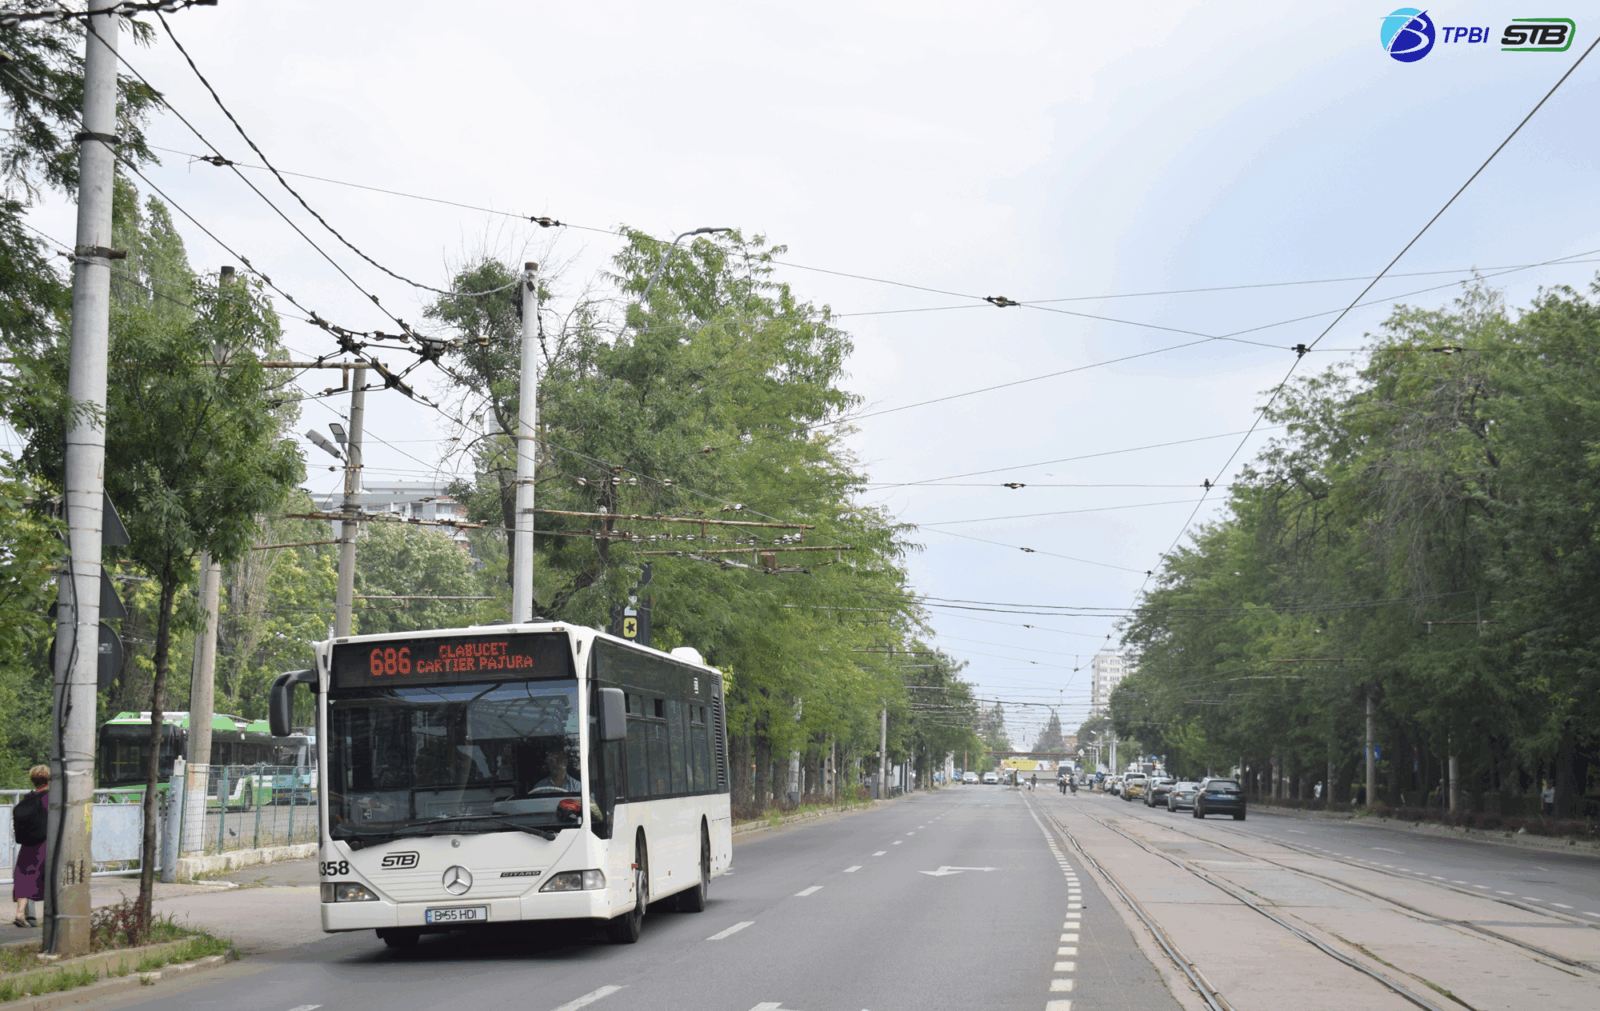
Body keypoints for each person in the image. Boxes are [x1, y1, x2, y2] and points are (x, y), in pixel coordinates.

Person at [11, 765, 49, 928]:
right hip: (45, 844)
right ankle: (53, 915)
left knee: (24, 877)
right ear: (48, 779)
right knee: (50, 877)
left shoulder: (28, 798)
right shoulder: (49, 798)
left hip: (27, 845)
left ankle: (21, 913)